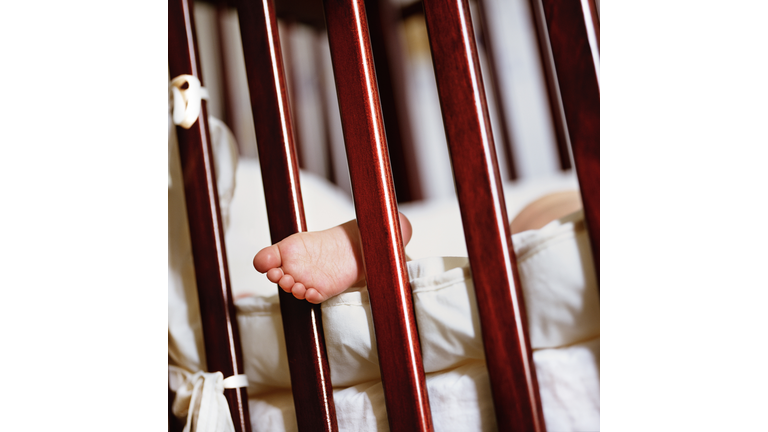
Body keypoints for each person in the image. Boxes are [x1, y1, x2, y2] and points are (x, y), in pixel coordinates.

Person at [253, 190, 582, 304]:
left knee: (449, 285)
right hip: (567, 214)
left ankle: (389, 260)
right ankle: (383, 258)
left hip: (541, 219)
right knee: (568, 228)